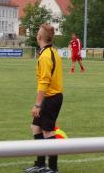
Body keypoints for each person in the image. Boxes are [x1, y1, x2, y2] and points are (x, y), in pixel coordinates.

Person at [24, 24, 63, 173]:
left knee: (48, 131)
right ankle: (40, 164)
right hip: (52, 96)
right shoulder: (51, 52)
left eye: (37, 33)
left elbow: (44, 82)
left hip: (51, 97)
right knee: (36, 127)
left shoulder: (46, 56)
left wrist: (38, 105)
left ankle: (52, 168)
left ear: (39, 37)